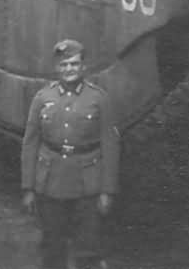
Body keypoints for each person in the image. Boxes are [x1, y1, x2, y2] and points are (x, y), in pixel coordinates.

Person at [21, 39, 120, 269]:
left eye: (74, 64)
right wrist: (28, 187)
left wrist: (107, 190)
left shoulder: (98, 99)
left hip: (87, 185)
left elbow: (110, 146)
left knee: (88, 247)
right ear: (57, 68)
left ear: (83, 67)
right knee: (52, 246)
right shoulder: (42, 98)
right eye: (64, 65)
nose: (69, 69)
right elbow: (30, 144)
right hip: (50, 184)